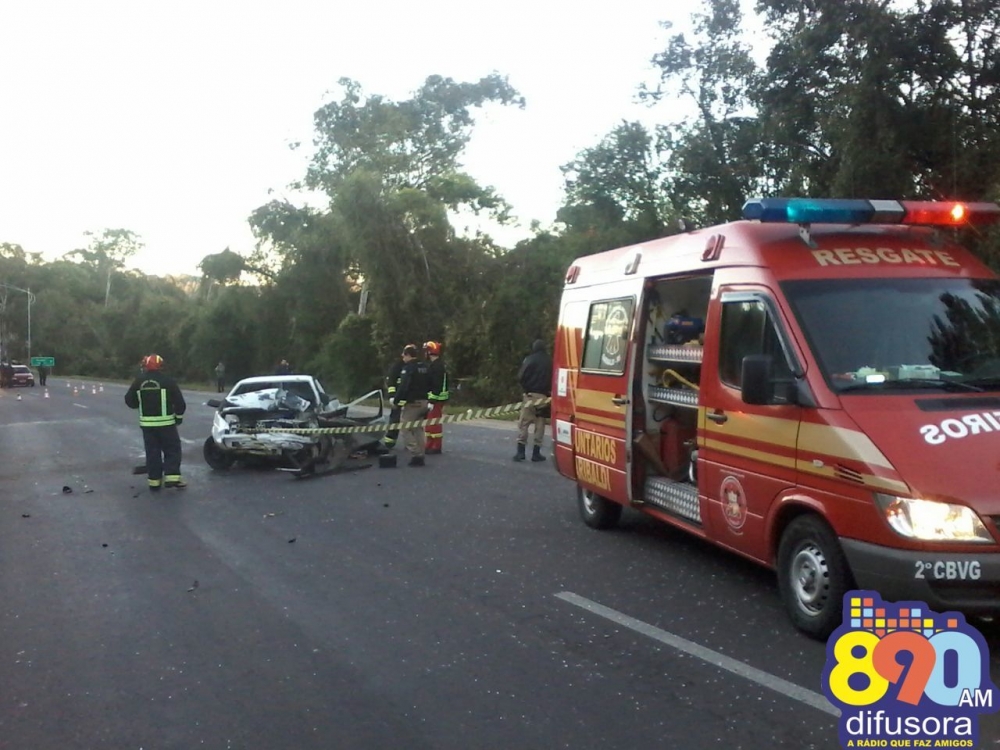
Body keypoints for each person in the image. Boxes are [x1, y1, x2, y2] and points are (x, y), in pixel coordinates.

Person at [124, 354, 187, 491]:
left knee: (152, 452)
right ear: (161, 366)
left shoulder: (139, 382)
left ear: (146, 366)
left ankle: (154, 482)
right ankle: (172, 478)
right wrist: (179, 417)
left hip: (147, 425)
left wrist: (140, 404)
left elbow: (129, 400)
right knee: (172, 449)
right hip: (167, 424)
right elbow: (180, 402)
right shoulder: (168, 381)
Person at [513, 339, 552, 462]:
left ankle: (521, 452)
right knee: (540, 425)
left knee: (524, 423)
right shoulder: (550, 361)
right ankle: (536, 453)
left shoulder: (529, 359)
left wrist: (526, 390)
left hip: (530, 396)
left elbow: (521, 377)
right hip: (544, 397)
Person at [393, 344, 431, 467]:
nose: (403, 357)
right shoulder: (424, 367)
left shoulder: (409, 368)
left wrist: (396, 401)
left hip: (413, 403)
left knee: (405, 428)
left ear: (408, 355)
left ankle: (416, 454)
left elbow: (404, 386)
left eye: (404, 355)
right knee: (418, 429)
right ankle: (421, 454)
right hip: (425, 402)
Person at [423, 341, 449, 454]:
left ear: (430, 352)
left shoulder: (437, 366)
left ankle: (436, 446)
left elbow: (437, 385)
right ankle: (429, 443)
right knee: (429, 423)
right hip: (433, 399)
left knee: (434, 423)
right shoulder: (434, 365)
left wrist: (432, 401)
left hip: (437, 399)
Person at [383, 350, 406, 449]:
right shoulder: (397, 366)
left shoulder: (413, 366)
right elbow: (391, 382)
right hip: (397, 399)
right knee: (395, 421)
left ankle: (411, 443)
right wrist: (392, 396)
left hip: (409, 401)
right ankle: (389, 442)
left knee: (411, 423)